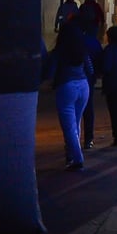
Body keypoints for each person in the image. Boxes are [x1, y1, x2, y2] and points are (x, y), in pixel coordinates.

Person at [45, 21, 92, 171]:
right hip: (83, 85)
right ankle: (72, 155)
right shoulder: (82, 50)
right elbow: (90, 69)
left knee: (69, 126)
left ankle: (76, 158)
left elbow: (50, 72)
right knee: (76, 123)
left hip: (66, 85)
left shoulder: (58, 51)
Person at [80, 19, 104, 149]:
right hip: (88, 78)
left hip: (74, 77)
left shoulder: (80, 40)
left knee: (74, 111)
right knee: (88, 109)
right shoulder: (94, 42)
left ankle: (74, 140)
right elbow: (99, 59)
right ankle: (88, 138)